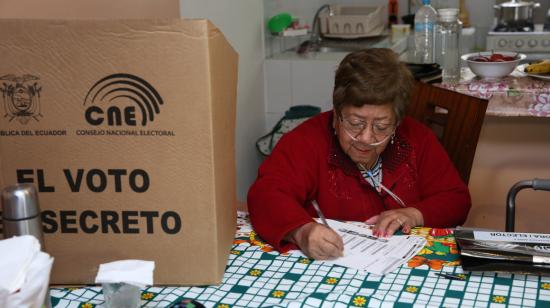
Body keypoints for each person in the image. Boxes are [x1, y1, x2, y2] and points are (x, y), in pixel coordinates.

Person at [248, 48, 471, 260]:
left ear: (397, 123)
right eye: (355, 123)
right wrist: (301, 231)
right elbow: (265, 195)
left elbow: (456, 199)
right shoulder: (306, 141)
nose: (365, 138)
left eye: (381, 127)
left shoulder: (416, 139)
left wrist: (415, 214)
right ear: (336, 114)